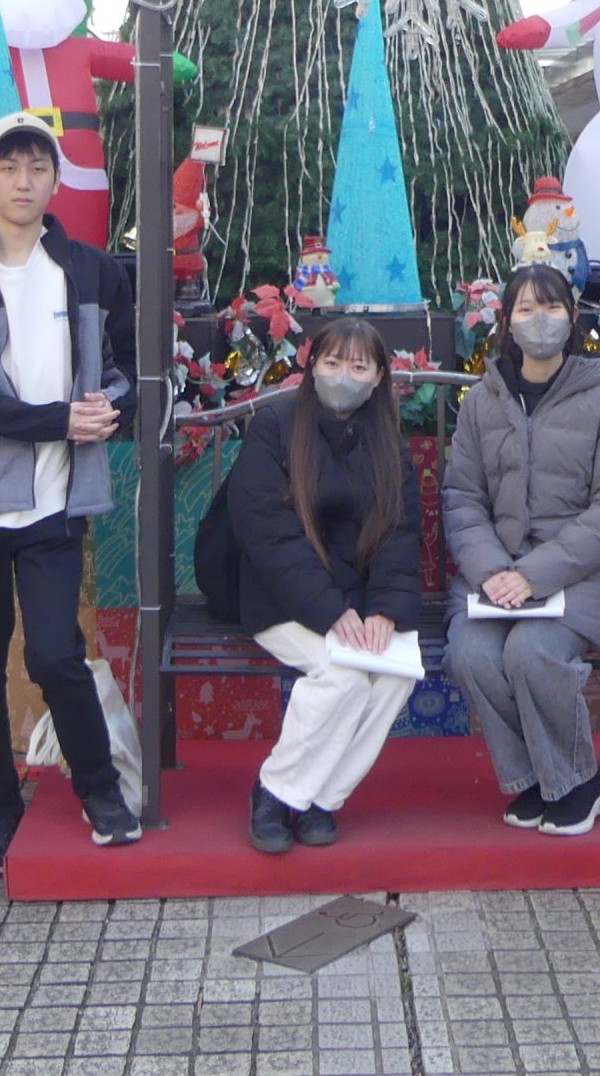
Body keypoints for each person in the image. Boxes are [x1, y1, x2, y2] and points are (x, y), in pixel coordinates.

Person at [0, 109, 140, 878]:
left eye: (38, 166)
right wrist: (57, 421)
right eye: (9, 166)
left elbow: (129, 368)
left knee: (54, 654)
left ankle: (100, 790)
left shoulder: (92, 269)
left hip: (53, 506)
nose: (23, 180)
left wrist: (114, 404)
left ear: (54, 178)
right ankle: (0, 809)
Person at [442, 267, 600, 837]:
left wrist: (534, 574)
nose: (540, 322)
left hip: (588, 576)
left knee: (533, 653)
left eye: (552, 308)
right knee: (471, 654)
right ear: (506, 321)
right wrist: (493, 572)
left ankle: (580, 782)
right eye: (526, 310)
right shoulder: (485, 400)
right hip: (497, 576)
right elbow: (463, 496)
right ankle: (535, 779)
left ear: (573, 318)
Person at [224, 318, 424, 854]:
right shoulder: (277, 425)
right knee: (344, 679)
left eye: (359, 367)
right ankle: (273, 793)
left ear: (380, 376)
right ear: (311, 366)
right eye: (332, 363)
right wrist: (329, 610)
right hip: (283, 595)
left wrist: (385, 609)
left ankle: (320, 800)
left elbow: (401, 530)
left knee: (392, 677)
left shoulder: (388, 441)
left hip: (358, 599)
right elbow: (266, 530)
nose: (343, 376)